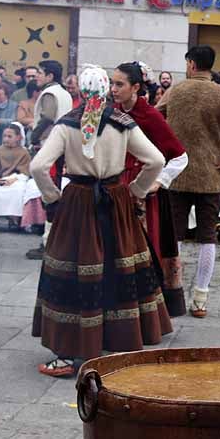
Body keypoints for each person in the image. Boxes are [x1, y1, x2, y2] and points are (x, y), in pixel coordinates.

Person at [29, 65, 171, 378]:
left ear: (80, 91)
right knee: (117, 267)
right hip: (115, 199)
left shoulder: (67, 124)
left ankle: (70, 351)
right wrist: (135, 191)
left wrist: (53, 199)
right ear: (107, 90)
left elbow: (39, 166)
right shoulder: (123, 122)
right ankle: (115, 344)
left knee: (76, 270)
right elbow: (156, 161)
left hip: (78, 202)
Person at [159, 45, 220, 318]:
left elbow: (153, 117)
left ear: (190, 63)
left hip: (177, 175)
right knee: (207, 237)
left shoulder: (176, 90)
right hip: (211, 175)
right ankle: (200, 299)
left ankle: (170, 293)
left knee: (173, 236)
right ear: (211, 66)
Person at [111, 62, 190, 317]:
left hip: (145, 194)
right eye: (112, 83)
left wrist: (158, 181)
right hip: (115, 188)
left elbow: (180, 157)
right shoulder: (110, 112)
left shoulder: (151, 116)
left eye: (119, 84)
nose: (114, 89)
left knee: (144, 250)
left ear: (135, 87)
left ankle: (148, 311)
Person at [0, 124, 39, 230]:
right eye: (4, 136)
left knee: (18, 190)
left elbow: (25, 172)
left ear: (18, 137)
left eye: (9, 136)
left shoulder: (24, 152)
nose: (6, 139)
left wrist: (12, 179)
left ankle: (14, 219)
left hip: (16, 179)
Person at [32, 61, 73, 147]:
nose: (36, 76)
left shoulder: (50, 93)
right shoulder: (65, 93)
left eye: (39, 73)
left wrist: (34, 137)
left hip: (48, 143)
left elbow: (47, 118)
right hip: (62, 141)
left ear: (50, 76)